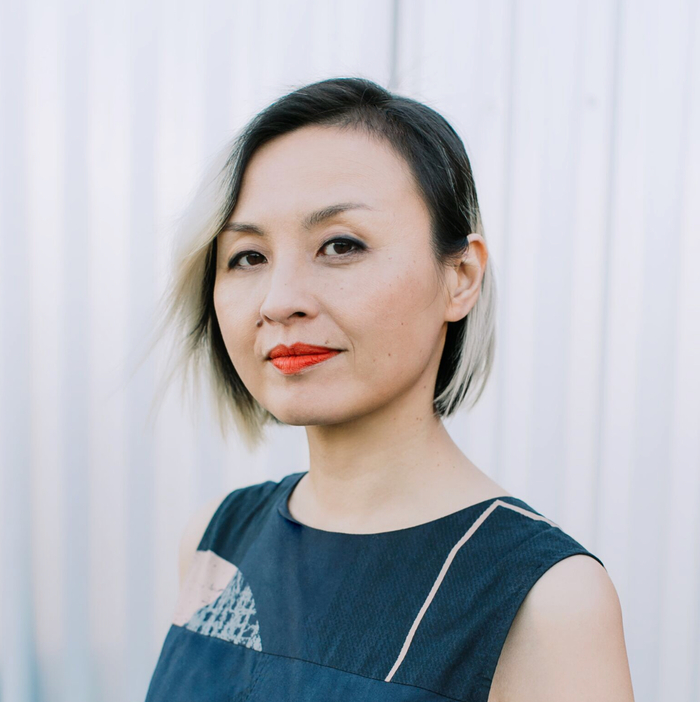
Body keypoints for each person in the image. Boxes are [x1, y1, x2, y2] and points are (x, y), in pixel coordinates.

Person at [143, 77, 635, 701]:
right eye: (248, 256)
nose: (280, 300)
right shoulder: (218, 542)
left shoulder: (545, 599)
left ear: (460, 276)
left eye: (340, 245)